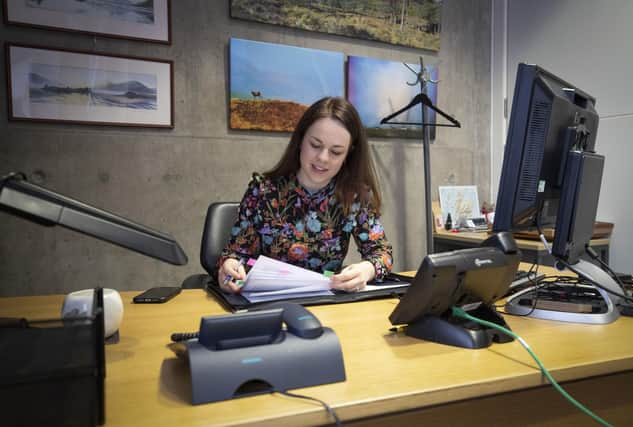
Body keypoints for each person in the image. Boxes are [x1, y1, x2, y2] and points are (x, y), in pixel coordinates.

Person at [217, 96, 393, 294]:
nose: (322, 158)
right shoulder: (263, 191)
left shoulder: (354, 196)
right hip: (267, 299)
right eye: (315, 145)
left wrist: (366, 269)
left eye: (336, 152)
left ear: (348, 155)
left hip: (325, 301)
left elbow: (382, 254)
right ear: (300, 140)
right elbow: (237, 252)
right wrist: (231, 266)